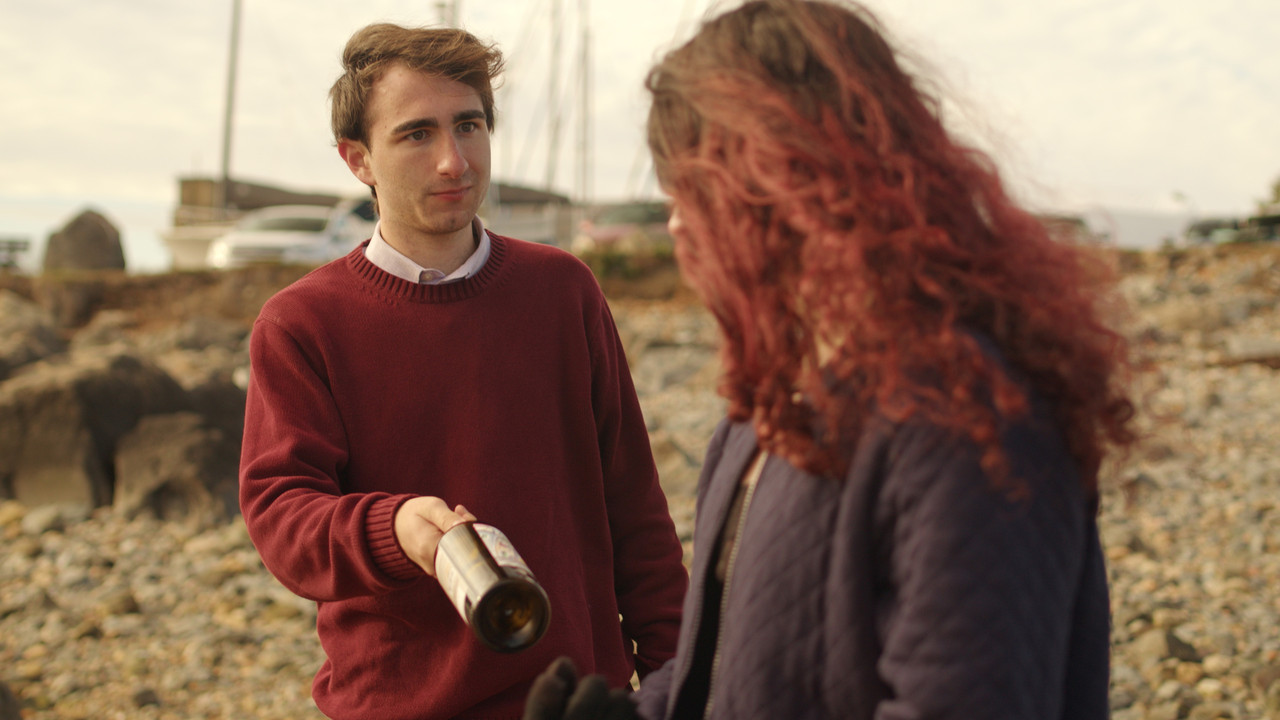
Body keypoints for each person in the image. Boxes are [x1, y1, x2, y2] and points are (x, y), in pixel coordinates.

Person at [524, 1, 1137, 718]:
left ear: (785, 184)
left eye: (692, 192)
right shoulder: (770, 407)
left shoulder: (966, 418)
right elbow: (731, 671)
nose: (678, 223)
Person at [238, 23, 688, 720]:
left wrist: (674, 685)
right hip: (395, 705)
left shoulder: (563, 290)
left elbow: (635, 511)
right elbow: (282, 518)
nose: (455, 161)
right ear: (357, 158)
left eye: (469, 125)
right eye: (417, 134)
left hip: (581, 701)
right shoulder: (301, 323)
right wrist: (396, 528)